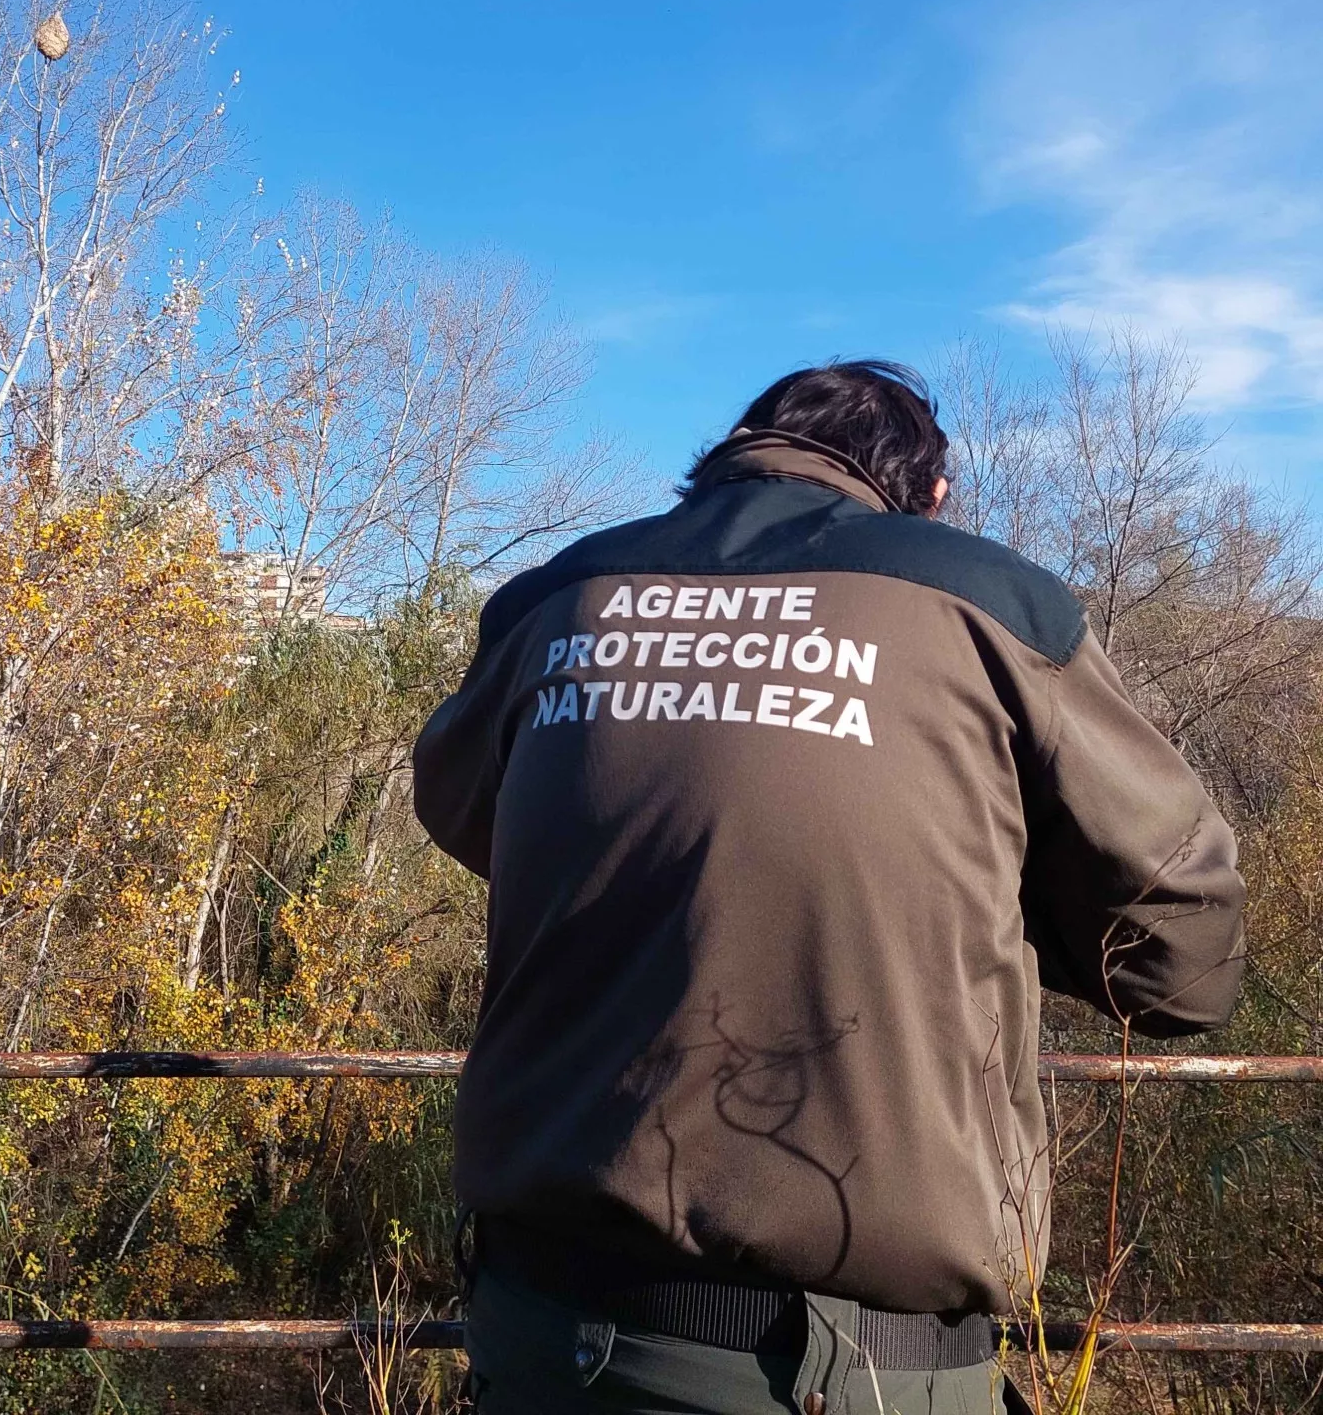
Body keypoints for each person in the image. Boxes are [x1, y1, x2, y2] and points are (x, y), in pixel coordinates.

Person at [413, 361, 1244, 1415]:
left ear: (730, 452)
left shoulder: (553, 599)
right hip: (849, 1369)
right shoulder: (988, 603)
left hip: (532, 1335)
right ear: (930, 496)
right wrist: (972, 891)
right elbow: (1185, 966)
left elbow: (462, 810)